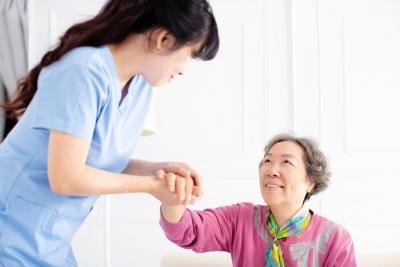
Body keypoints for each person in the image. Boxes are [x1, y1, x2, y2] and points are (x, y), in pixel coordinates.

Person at [0, 0, 219, 265]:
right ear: (163, 39)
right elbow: (65, 177)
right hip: (10, 229)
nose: (184, 70)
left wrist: (158, 169)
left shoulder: (140, 86)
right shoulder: (84, 70)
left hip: (49, 238)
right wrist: (151, 187)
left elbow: (99, 159)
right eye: (189, 55)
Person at [160, 133, 356, 267]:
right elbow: (187, 230)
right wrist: (173, 199)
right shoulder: (239, 218)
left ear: (311, 182)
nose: (271, 170)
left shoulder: (336, 239)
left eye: (286, 162)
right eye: (267, 161)